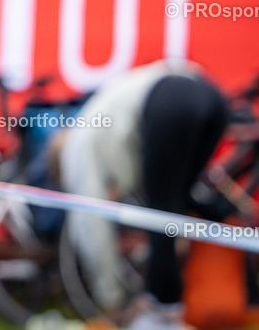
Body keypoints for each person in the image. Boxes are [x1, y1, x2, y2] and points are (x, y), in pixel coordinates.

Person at [57, 60, 228, 330]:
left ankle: (163, 312)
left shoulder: (78, 148)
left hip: (172, 103)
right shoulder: (103, 116)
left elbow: (92, 226)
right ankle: (167, 306)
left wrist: (110, 298)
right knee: (175, 207)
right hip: (213, 98)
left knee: (160, 213)